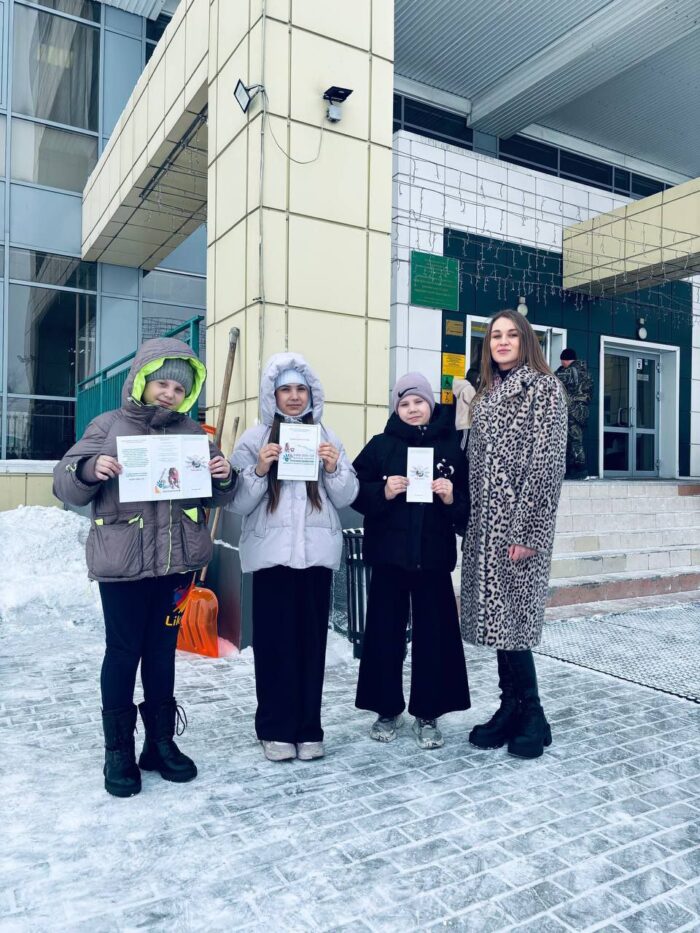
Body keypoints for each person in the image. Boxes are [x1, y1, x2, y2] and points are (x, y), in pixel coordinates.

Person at [53, 338, 236, 798]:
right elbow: (65, 483)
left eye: (180, 388)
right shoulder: (108, 426)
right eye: (162, 383)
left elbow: (216, 496)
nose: (170, 393)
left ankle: (160, 743)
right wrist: (90, 469)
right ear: (141, 381)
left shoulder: (193, 434)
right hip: (123, 564)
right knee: (123, 652)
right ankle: (118, 751)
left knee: (161, 652)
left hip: (176, 565)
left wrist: (223, 476)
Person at [229, 353, 358, 763]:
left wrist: (334, 468)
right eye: (285, 389)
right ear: (273, 394)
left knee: (310, 645)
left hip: (315, 558)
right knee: (273, 647)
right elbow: (235, 503)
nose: (294, 396)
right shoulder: (254, 440)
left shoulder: (326, 436)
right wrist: (258, 470)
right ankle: (275, 728)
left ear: (312, 393)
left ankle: (308, 728)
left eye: (301, 389)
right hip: (272, 558)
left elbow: (347, 496)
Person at [461, 311, 566, 759]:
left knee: (515, 624)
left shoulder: (544, 389)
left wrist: (527, 530)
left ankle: (533, 715)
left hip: (519, 527)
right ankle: (511, 707)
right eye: (494, 336)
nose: (502, 342)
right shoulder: (486, 393)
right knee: (499, 624)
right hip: (486, 527)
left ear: (526, 341)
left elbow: (547, 464)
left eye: (510, 335)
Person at [353, 372, 471, 749]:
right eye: (404, 403)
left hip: (433, 559)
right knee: (384, 635)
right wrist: (382, 491)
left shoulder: (451, 448)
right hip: (389, 558)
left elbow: (467, 508)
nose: (412, 409)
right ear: (396, 408)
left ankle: (428, 712)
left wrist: (451, 498)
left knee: (433, 637)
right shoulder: (380, 446)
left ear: (430, 404)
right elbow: (354, 491)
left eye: (418, 401)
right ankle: (386, 709)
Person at [555, 348, 593, 480]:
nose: (561, 364)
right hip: (582, 411)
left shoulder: (570, 371)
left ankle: (581, 470)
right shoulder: (585, 371)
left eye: (562, 361)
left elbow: (554, 379)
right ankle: (573, 470)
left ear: (565, 360)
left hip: (572, 410)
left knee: (573, 440)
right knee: (574, 439)